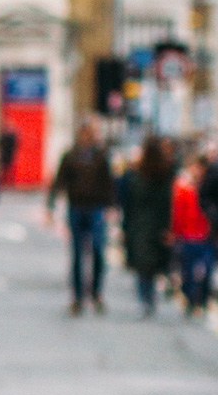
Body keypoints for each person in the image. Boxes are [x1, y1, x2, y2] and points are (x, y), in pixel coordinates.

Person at [48, 117, 116, 315]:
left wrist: (111, 205)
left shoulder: (100, 156)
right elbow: (60, 179)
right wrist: (51, 204)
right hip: (76, 207)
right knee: (77, 254)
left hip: (96, 208)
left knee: (97, 250)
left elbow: (108, 182)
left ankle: (95, 292)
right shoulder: (70, 156)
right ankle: (77, 296)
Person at [118, 136, 177, 315]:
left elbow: (128, 203)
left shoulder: (136, 176)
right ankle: (150, 297)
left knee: (142, 265)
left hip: (139, 225)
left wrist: (125, 227)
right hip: (158, 225)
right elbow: (169, 203)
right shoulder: (166, 175)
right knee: (153, 263)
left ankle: (145, 298)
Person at [169, 151, 214, 315]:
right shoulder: (182, 186)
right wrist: (175, 231)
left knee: (206, 269)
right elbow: (177, 211)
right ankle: (190, 299)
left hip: (205, 235)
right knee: (187, 271)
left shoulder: (209, 186)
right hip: (187, 235)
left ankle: (201, 300)